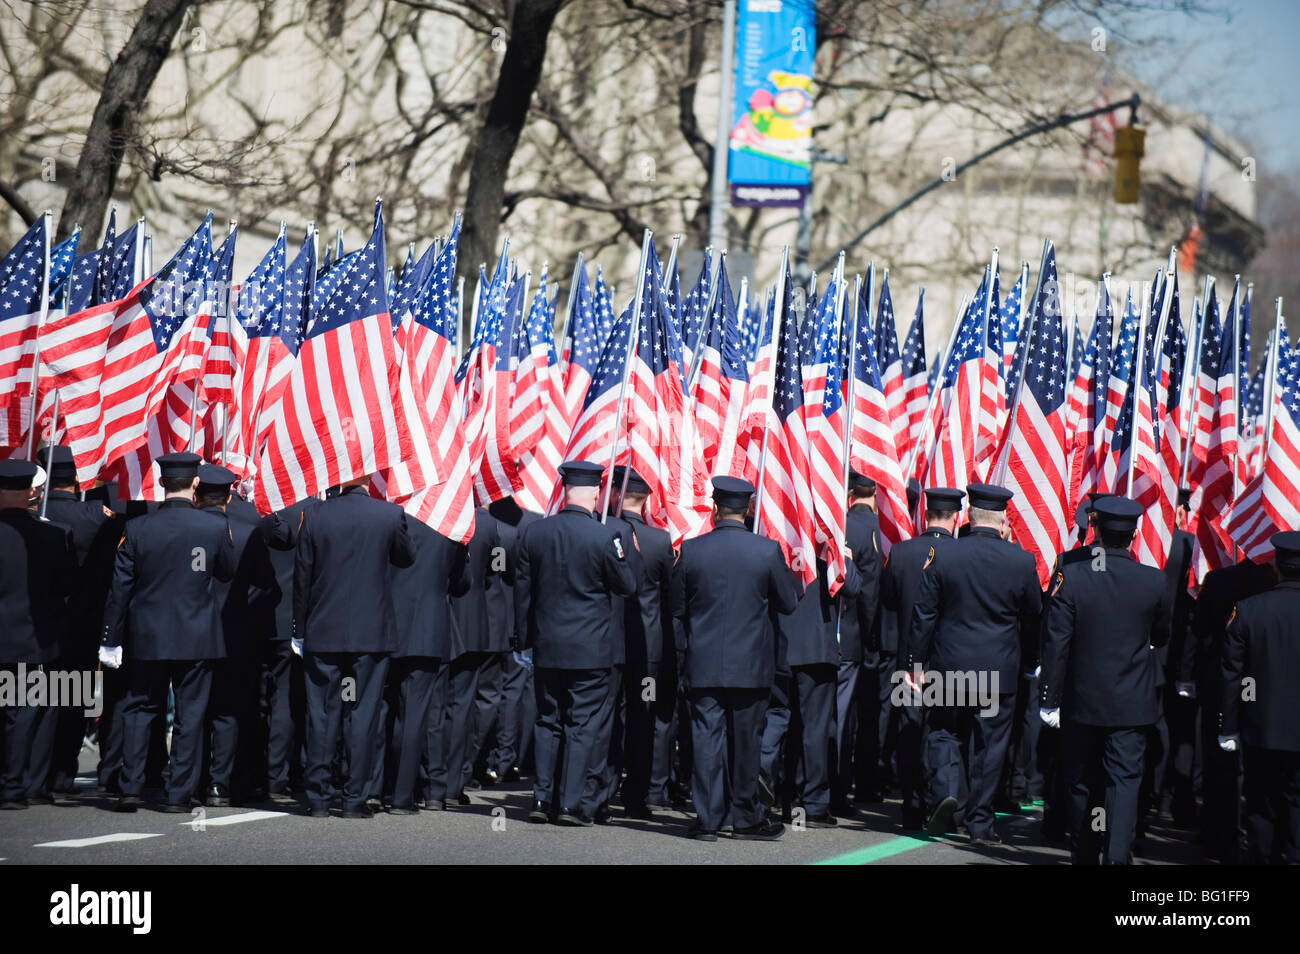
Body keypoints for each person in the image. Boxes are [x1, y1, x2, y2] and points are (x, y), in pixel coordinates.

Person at [100, 452, 236, 813]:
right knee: (191, 715)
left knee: (140, 709)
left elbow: (120, 588)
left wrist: (110, 638)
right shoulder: (214, 527)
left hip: (148, 632)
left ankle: (131, 786)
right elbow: (226, 571)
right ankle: (179, 794)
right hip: (197, 634)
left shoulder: (139, 527)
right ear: (195, 484)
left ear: (162, 484)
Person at [1039, 496, 1172, 864]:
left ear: (1094, 529)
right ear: (1134, 533)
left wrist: (1048, 697)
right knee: (1123, 783)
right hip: (1131, 702)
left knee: (1082, 781)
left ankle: (1084, 853)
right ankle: (1116, 855)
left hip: (1082, 701)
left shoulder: (1072, 576)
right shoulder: (1154, 581)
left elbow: (1056, 642)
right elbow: (1161, 636)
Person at [909, 483, 1041, 844]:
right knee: (989, 745)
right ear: (1003, 521)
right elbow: (1034, 616)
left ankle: (950, 790)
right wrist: (1029, 662)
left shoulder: (944, 554)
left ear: (968, 517)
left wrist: (916, 663)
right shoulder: (1022, 560)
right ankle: (980, 824)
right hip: (998, 671)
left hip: (950, 666)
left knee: (943, 731)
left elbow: (924, 613)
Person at [672, 476, 801, 841]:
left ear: (715, 509)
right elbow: (789, 602)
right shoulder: (766, 550)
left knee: (706, 741)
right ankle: (745, 818)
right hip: (751, 667)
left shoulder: (693, 550)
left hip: (704, 664)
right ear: (747, 510)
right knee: (746, 744)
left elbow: (677, 610)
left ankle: (708, 819)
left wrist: (687, 654)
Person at [513, 460, 636, 826]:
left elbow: (523, 592)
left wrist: (523, 640)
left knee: (548, 720)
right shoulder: (604, 537)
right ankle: (569, 804)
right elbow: (628, 585)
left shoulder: (536, 532)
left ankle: (541, 800)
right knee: (581, 725)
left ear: (565, 490)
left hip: (547, 645)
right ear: (597, 493)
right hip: (590, 649)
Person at [293, 473, 415, 818]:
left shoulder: (316, 515)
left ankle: (318, 798)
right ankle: (354, 798)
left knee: (321, 713)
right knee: (363, 715)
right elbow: (407, 557)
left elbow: (303, 575)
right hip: (370, 632)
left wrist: (298, 629)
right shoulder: (388, 515)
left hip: (323, 628)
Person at [33, 445, 121, 797]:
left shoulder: (34, 514)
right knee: (71, 701)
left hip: (33, 624)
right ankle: (61, 772)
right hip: (81, 622)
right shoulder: (97, 516)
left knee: (27, 701)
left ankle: (26, 771)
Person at [196, 464, 284, 806]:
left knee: (195, 708)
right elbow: (268, 587)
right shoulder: (248, 531)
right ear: (230, 493)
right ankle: (220, 783)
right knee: (231, 709)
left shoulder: (186, 528)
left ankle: (193, 779)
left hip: (193, 631)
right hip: (236, 633)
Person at [878, 485, 963, 830]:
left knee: (910, 732)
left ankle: (912, 807)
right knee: (943, 732)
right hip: (949, 659)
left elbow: (888, 600)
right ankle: (941, 801)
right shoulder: (963, 554)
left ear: (925, 516)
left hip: (909, 660)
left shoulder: (900, 553)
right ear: (956, 519)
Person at [595, 466, 674, 821]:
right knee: (643, 720)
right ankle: (638, 795)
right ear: (646, 499)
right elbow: (674, 600)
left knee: (607, 716)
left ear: (616, 494)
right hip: (648, 651)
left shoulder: (603, 531)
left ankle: (601, 792)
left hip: (610, 644)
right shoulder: (660, 540)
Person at [1218, 531, 1300, 864]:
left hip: (1259, 725)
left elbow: (1232, 674)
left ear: (1276, 566)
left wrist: (1229, 726)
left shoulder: (1249, 609)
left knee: (1261, 802)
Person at [1187, 552, 1275, 861]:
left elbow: (1199, 629)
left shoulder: (1219, 580)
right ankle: (1263, 841)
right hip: (1267, 686)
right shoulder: (1274, 583)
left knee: (1220, 763)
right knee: (1263, 765)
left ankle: (1219, 836)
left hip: (1221, 682)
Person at [0, 460, 76, 810]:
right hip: (31, 640)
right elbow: (65, 588)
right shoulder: (53, 535)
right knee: (23, 714)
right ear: (32, 492)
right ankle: (19, 786)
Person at [385, 516, 468, 813]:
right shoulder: (448, 528)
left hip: (387, 627)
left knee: (384, 711)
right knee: (418, 716)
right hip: (428, 631)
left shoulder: (390, 520)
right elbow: (461, 583)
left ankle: (377, 787)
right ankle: (403, 794)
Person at [833, 470, 883, 817]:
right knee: (841, 718)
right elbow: (868, 593)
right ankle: (835, 792)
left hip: (824, 635)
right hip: (850, 637)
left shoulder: (840, 522)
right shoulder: (871, 531)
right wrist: (869, 639)